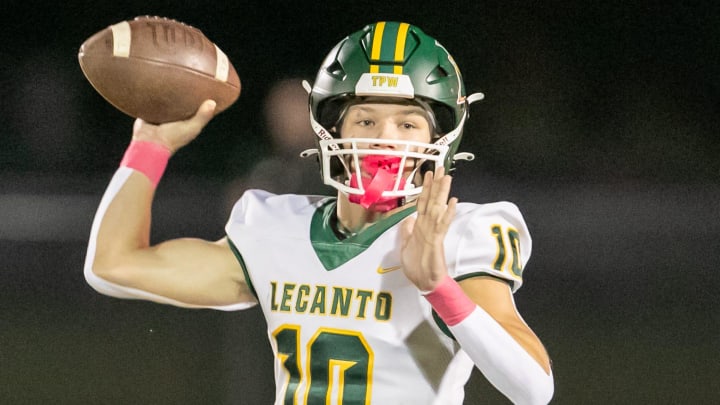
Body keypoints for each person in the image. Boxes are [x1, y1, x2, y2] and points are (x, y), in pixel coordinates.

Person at [84, 21, 554, 404]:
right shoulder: (275, 228)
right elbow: (112, 265)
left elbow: (534, 389)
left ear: (438, 141)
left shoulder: (458, 235)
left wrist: (440, 288)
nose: (384, 137)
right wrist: (149, 147)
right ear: (332, 130)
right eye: (366, 119)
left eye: (407, 123)